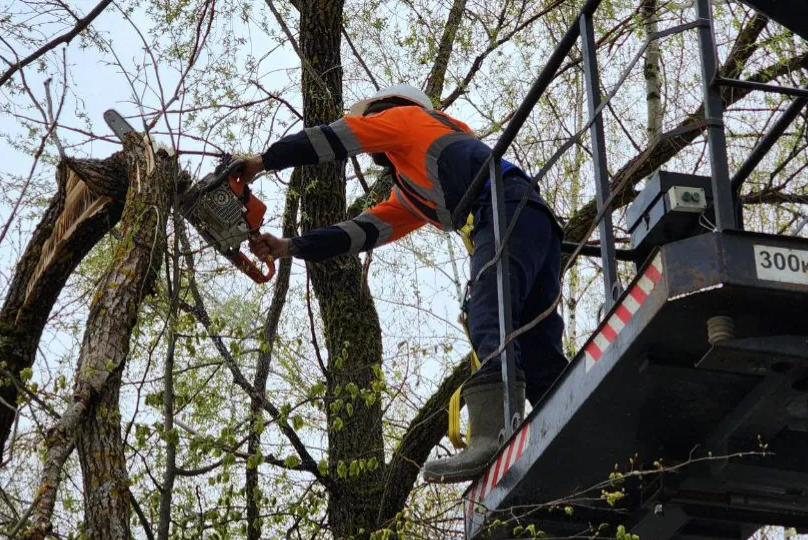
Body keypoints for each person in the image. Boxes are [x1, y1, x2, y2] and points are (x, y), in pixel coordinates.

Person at [235, 84, 568, 483]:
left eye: (369, 117)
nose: (367, 126)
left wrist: (261, 162)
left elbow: (332, 140)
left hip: (504, 209)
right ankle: (576, 424)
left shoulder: (408, 121)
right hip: (534, 221)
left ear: (387, 110)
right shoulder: (415, 187)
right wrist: (288, 246)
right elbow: (357, 233)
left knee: (487, 309)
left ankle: (493, 433)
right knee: (534, 348)